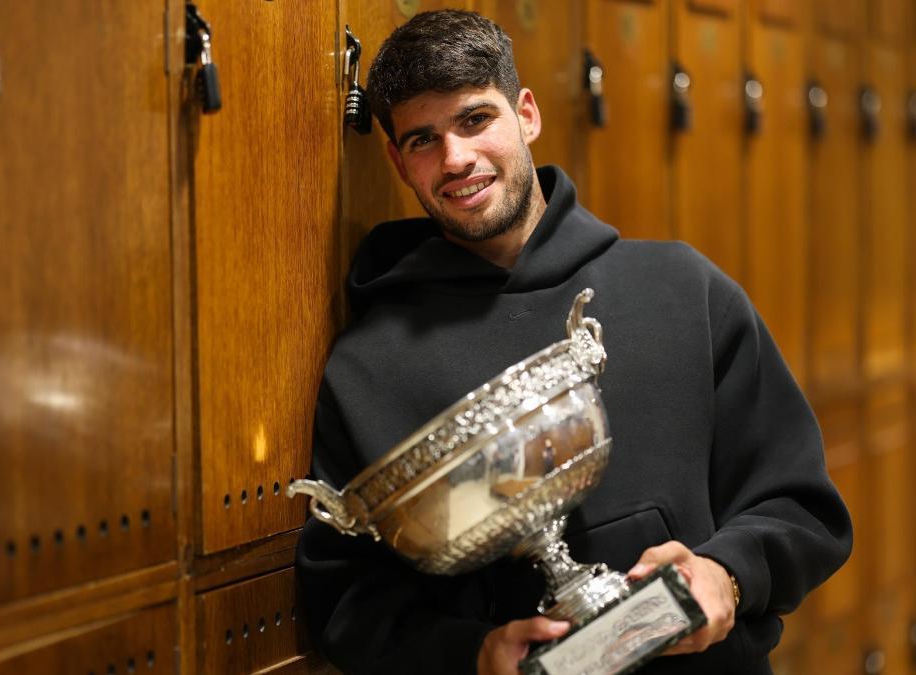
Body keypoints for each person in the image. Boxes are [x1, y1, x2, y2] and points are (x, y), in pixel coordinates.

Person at [295, 9, 852, 675]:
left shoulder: (684, 290)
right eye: (422, 139)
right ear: (397, 160)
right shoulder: (368, 367)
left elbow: (802, 504)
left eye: (476, 119)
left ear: (525, 114)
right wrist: (471, 653)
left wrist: (727, 575)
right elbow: (344, 597)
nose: (456, 158)